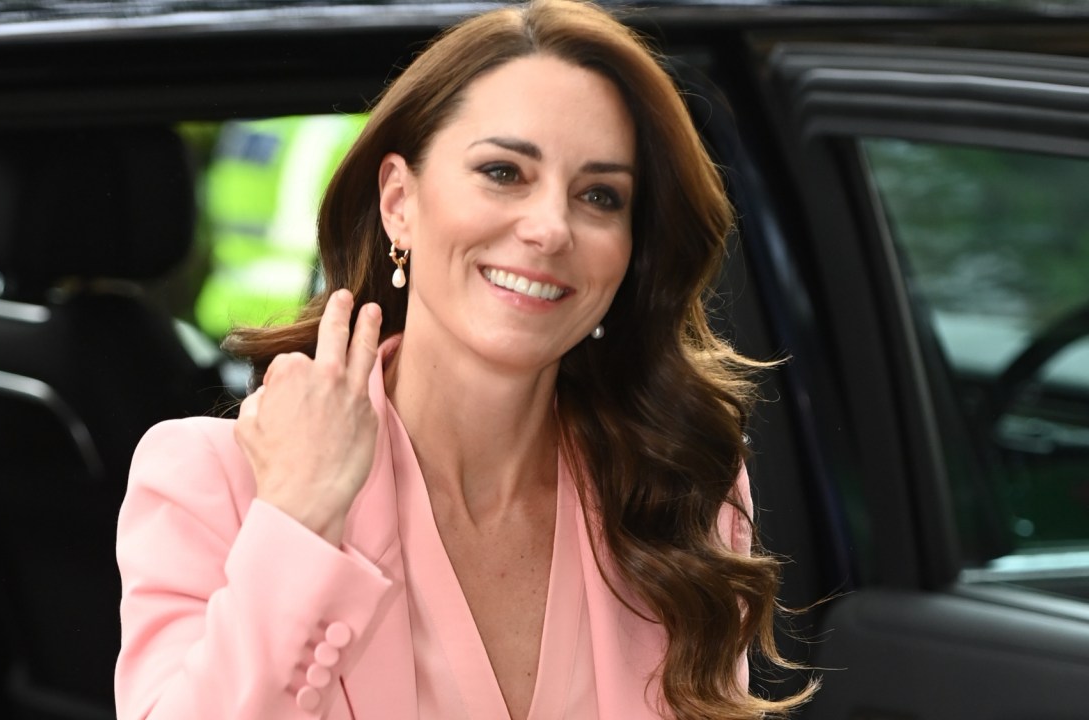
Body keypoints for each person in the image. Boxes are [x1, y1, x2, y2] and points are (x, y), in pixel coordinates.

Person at [115, 1, 815, 718]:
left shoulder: (674, 489)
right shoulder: (214, 482)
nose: (549, 228)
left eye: (600, 195)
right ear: (399, 202)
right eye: (504, 172)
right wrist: (299, 517)